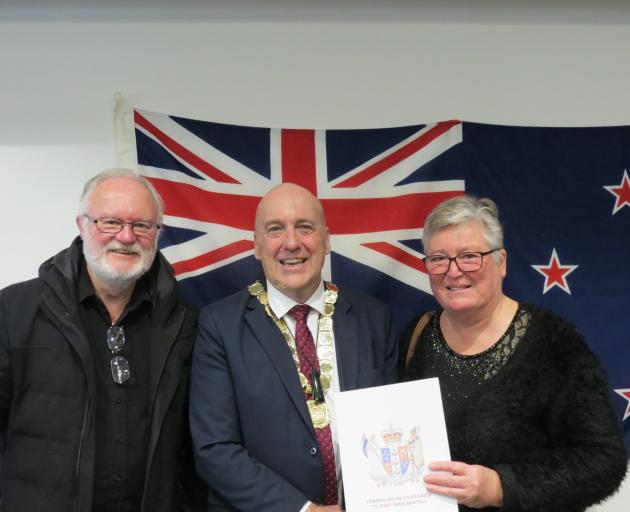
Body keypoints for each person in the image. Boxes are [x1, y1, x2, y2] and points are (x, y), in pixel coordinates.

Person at [401, 194, 628, 511]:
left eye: (469, 256)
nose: (453, 271)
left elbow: (604, 460)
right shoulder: (417, 336)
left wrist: (501, 487)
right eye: (438, 258)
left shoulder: (554, 343)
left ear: (501, 262)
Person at [0, 169, 205, 512]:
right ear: (82, 225)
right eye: (109, 222)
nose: (126, 237)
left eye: (142, 225)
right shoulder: (13, 311)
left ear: (158, 233)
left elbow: (192, 446)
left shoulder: (185, 323)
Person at [190, 182, 398, 512]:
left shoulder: (373, 317)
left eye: (305, 227)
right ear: (256, 245)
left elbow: (393, 423)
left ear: (327, 240)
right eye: (275, 230)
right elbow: (214, 448)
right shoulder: (219, 325)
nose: (291, 243)